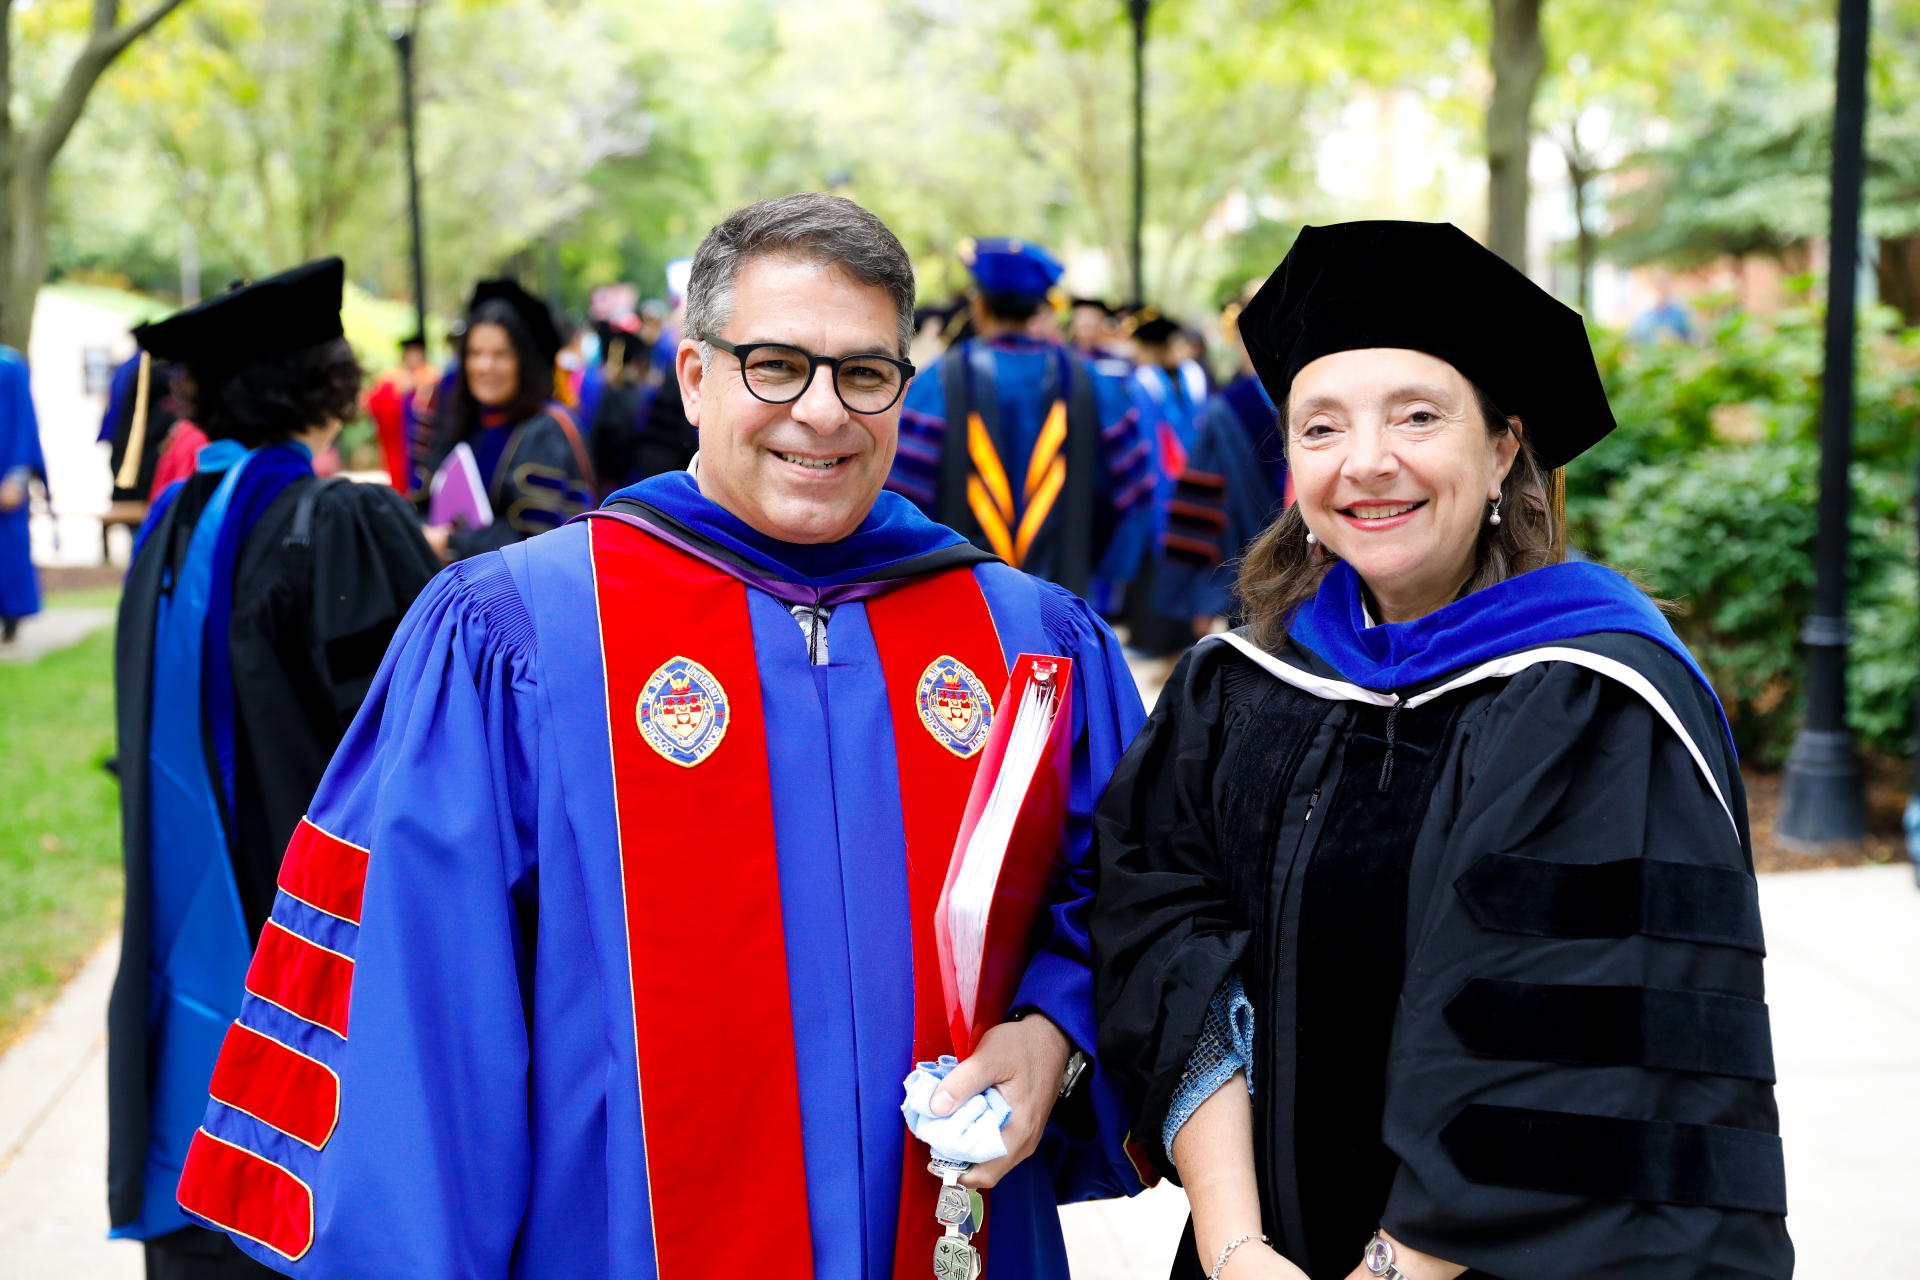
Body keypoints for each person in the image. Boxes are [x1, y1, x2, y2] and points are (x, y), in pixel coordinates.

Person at [173, 192, 1149, 1280]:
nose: (821, 412)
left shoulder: (1027, 639)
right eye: (774, 364)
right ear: (694, 376)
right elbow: (422, 1005)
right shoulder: (518, 635)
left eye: (863, 373)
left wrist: (1054, 1028)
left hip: (953, 1233)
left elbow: (1129, 894)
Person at [1091, 221, 1791, 1280]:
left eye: (1417, 415)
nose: (1367, 461)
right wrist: (1236, 1247)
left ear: (1504, 445)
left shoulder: (1593, 700)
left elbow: (1563, 1035)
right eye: (1321, 426)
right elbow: (1169, 946)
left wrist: (1390, 1271)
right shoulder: (1236, 689)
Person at [107, 258, 441, 1279]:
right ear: (326, 383)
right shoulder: (335, 523)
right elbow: (430, 763)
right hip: (311, 977)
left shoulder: (170, 528)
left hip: (196, 977)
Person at [890, 237, 1151, 601]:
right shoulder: (1094, 383)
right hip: (1066, 600)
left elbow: (903, 492)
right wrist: (1105, 572)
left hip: (958, 593)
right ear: (1039, 308)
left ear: (979, 305)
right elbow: (1136, 491)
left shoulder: (940, 380)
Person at [423, 279, 597, 560]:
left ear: (524, 361)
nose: (484, 366)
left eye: (501, 354)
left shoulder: (547, 428)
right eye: (475, 353)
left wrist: (452, 543)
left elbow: (540, 538)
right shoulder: (463, 422)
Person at [1154, 291, 1289, 630]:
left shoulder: (1226, 411)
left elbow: (1204, 512)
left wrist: (1203, 598)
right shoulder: (1319, 398)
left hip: (1253, 583)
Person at [0, 347, 43, 640]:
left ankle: (10, 619)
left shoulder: (9, 366)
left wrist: (16, 478)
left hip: (4, 479)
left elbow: (23, 424)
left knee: (7, 551)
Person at [363, 334, 431, 493]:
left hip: (424, 442)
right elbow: (374, 404)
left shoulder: (432, 377)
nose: (413, 357)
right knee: (399, 477)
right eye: (410, 353)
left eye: (417, 352)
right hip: (398, 442)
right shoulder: (391, 378)